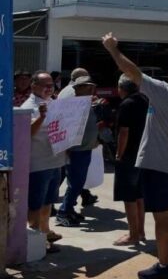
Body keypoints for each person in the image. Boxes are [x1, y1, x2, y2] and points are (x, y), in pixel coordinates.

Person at [102, 32, 168, 278]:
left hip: (157, 166)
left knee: (161, 218)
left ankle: (164, 265)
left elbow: (131, 71)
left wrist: (113, 49)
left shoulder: (164, 91)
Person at [21, 71, 66, 253]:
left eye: (51, 85)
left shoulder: (53, 103)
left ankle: (45, 234)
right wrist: (41, 117)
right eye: (45, 85)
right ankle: (34, 239)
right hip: (38, 164)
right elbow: (26, 133)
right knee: (35, 204)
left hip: (55, 161)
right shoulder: (29, 106)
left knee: (48, 203)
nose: (49, 88)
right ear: (33, 86)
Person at [55, 76, 100, 227]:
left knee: (78, 182)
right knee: (75, 182)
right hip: (76, 150)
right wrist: (66, 148)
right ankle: (63, 212)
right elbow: (66, 127)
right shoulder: (73, 106)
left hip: (85, 148)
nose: (90, 89)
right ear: (77, 89)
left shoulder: (87, 103)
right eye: (86, 86)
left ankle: (69, 208)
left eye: (90, 86)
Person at [113, 75, 149, 246]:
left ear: (122, 88)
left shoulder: (127, 104)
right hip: (144, 153)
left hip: (129, 155)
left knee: (129, 197)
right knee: (140, 195)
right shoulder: (145, 99)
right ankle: (140, 231)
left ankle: (133, 234)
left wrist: (119, 154)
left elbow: (124, 132)